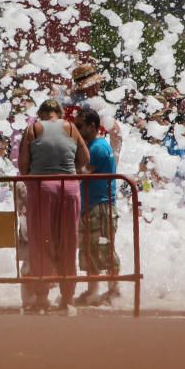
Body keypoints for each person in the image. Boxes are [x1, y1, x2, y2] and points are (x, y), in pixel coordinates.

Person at [17, 98, 89, 313]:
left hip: (42, 189)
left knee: (41, 242)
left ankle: (42, 298)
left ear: (41, 114)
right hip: (69, 188)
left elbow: (22, 166)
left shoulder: (33, 129)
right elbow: (85, 158)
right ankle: (68, 299)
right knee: (68, 242)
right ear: (60, 113)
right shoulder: (71, 127)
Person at [75, 107, 120, 306]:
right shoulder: (93, 145)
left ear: (92, 126)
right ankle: (92, 291)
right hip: (91, 206)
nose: (76, 129)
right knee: (89, 250)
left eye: (79, 126)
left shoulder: (97, 147)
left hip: (100, 207)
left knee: (104, 248)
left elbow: (80, 172)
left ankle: (114, 290)